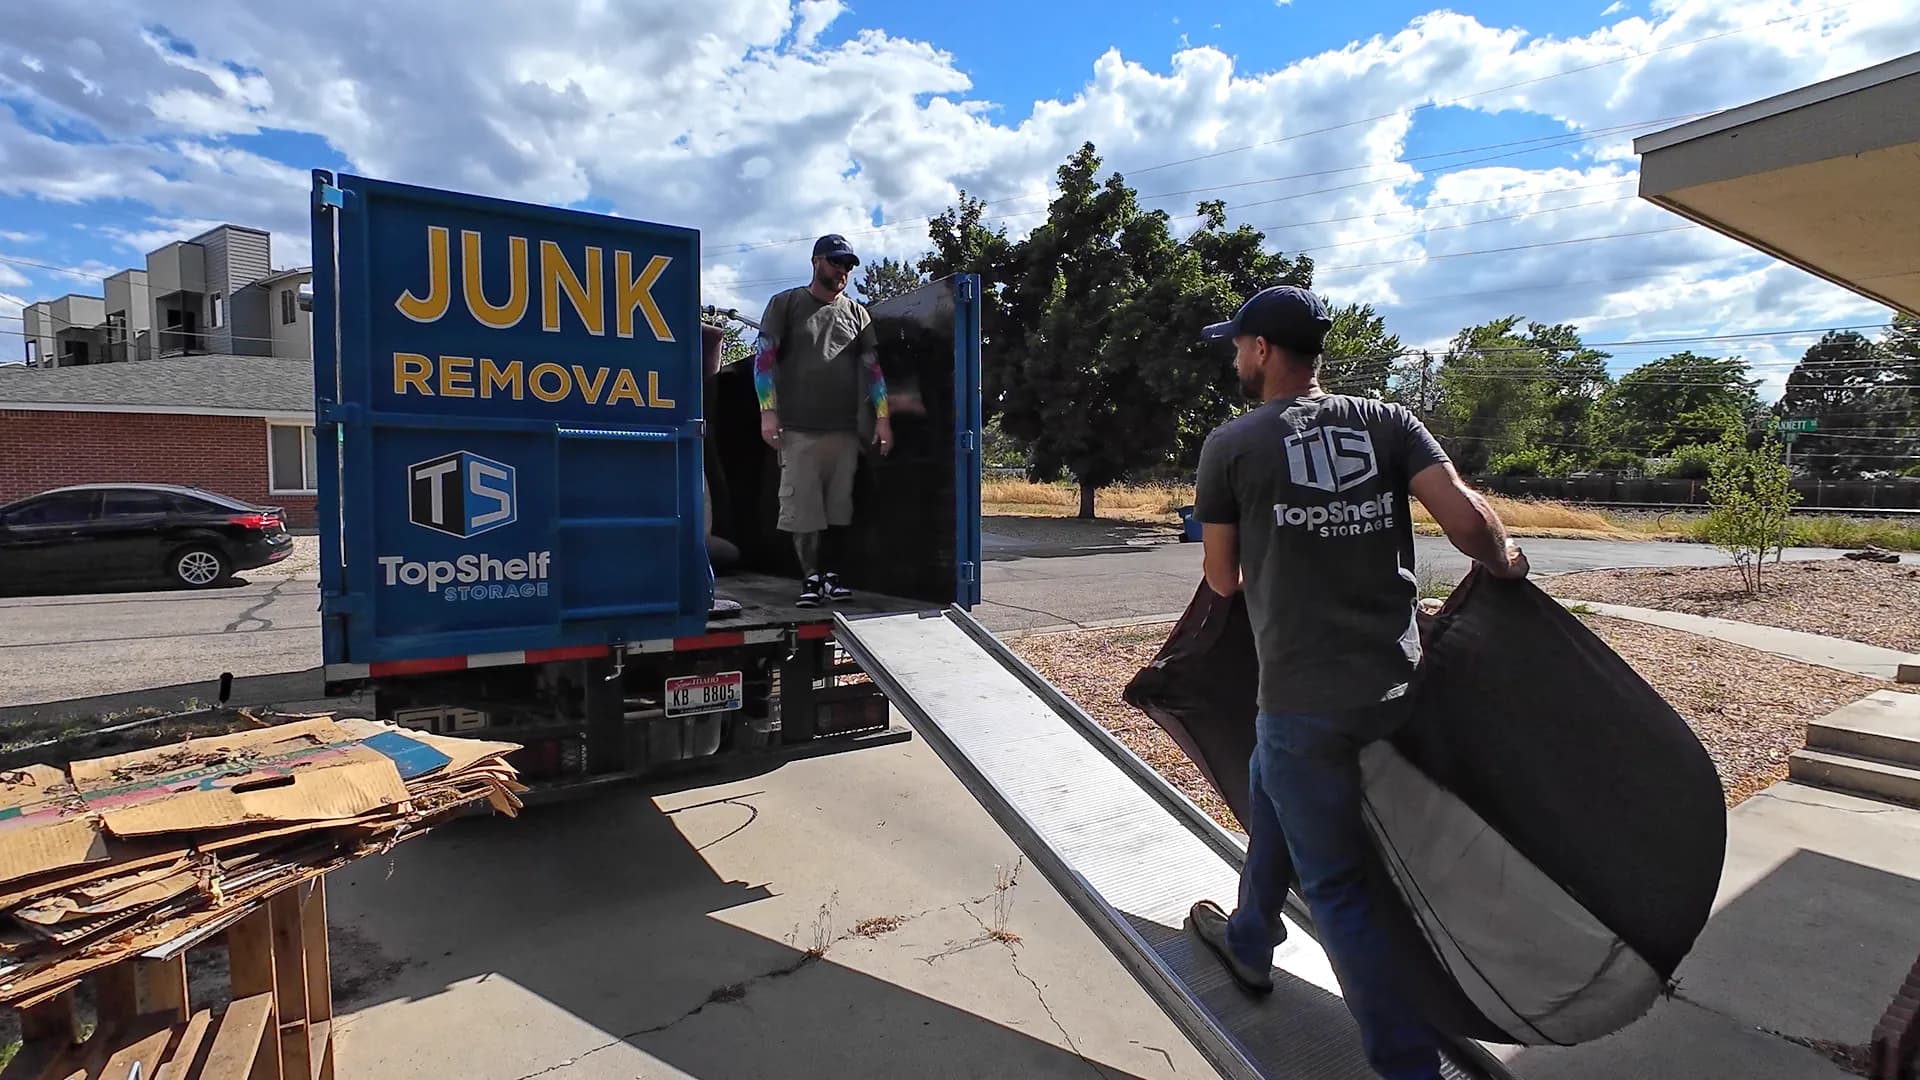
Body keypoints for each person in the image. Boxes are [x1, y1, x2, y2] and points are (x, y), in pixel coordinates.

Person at [1183, 284, 1528, 1080]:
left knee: (1337, 889)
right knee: (1275, 781)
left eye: (1238, 344)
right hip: (1397, 687)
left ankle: (1408, 1067)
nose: (1235, 357)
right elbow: (1469, 521)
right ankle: (1249, 940)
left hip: (1306, 698)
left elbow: (1223, 581)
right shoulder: (1389, 421)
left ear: (1264, 351)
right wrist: (1507, 562)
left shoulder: (1232, 444)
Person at [751, 234, 894, 607]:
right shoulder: (787, 303)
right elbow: (764, 360)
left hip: (846, 430)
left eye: (848, 265)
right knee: (803, 512)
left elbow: (873, 370)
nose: (842, 270)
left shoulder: (858, 314)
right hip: (798, 429)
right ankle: (810, 578)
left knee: (840, 509)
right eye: (836, 262)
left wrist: (882, 420)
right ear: (816, 261)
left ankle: (833, 575)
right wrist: (768, 411)